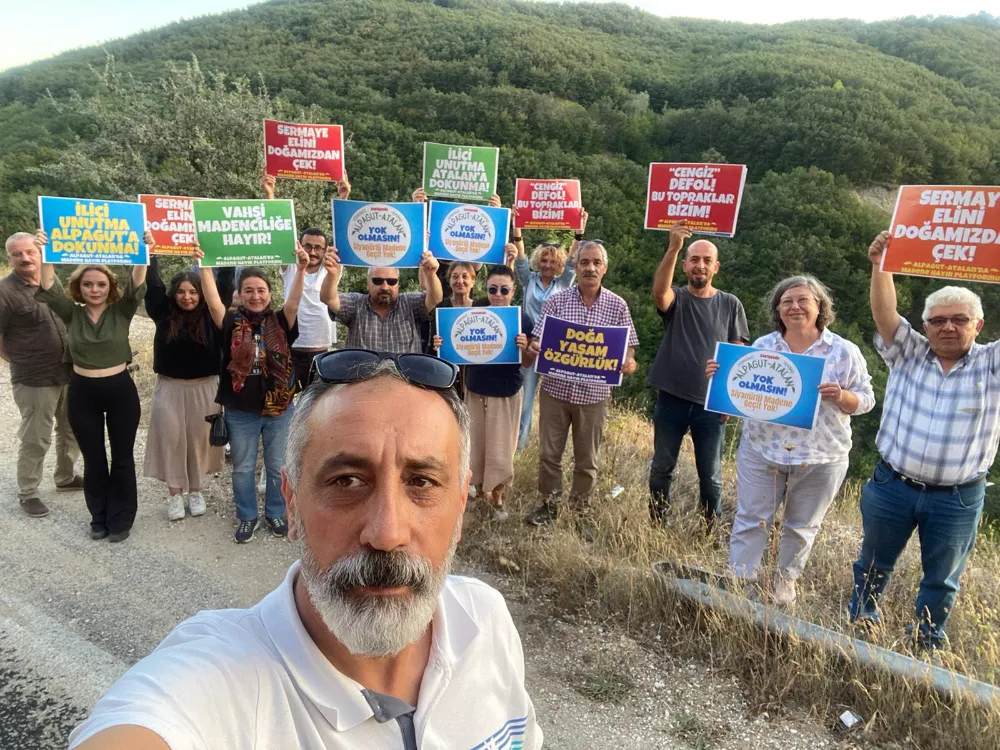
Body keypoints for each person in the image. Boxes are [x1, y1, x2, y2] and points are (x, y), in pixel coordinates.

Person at [68, 350, 542, 750]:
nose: (387, 532)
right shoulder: (221, 681)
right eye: (347, 481)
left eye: (421, 483)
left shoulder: (486, 620)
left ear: (459, 510)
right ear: (291, 503)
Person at [849, 231, 1000, 651]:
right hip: (892, 486)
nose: (948, 327)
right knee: (873, 564)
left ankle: (925, 642)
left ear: (978, 325)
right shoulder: (909, 352)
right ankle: (860, 624)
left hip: (957, 497)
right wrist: (881, 264)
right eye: (938, 320)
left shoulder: (992, 364)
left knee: (942, 578)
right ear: (925, 324)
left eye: (959, 320)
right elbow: (884, 312)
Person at [707, 275, 875, 606]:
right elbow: (743, 392)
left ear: (820, 307)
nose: (795, 306)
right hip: (762, 450)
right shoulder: (763, 347)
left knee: (800, 527)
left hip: (821, 456)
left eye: (803, 300)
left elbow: (867, 400)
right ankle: (739, 582)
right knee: (751, 518)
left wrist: (842, 396)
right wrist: (721, 376)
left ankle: (784, 584)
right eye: (787, 301)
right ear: (778, 310)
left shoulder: (843, 351)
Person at [34, 232, 151, 543]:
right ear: (79, 287)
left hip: (120, 391)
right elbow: (47, 284)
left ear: (110, 287)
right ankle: (98, 517)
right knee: (94, 457)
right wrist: (45, 251)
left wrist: (144, 249)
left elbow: (138, 281)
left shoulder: (121, 311)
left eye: (101, 284)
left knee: (123, 457)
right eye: (88, 284)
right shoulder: (71, 312)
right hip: (83, 391)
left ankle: (121, 519)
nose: (95, 289)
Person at [197, 245, 308, 543]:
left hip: (280, 409)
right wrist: (204, 264)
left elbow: (295, 300)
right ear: (240, 294)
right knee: (243, 468)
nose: (255, 295)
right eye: (249, 290)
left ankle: (275, 511)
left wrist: (300, 270)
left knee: (277, 467)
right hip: (240, 410)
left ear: (270, 293)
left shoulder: (281, 321)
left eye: (261, 290)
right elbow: (211, 303)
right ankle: (247, 516)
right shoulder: (231, 322)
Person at [526, 241, 639, 525]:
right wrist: (535, 347)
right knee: (549, 454)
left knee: (587, 459)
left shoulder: (617, 305)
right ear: (575, 267)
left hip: (594, 395)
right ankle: (549, 507)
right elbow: (538, 338)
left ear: (605, 268)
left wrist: (629, 362)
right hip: (555, 391)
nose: (590, 268)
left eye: (596, 263)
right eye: (584, 262)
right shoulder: (556, 301)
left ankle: (580, 512)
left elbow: (629, 348)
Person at [647, 220, 749, 526]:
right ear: (685, 266)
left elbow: (739, 357)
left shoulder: (731, 304)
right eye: (694, 260)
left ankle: (708, 530)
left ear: (716, 267)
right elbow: (658, 293)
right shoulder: (677, 298)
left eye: (706, 261)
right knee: (662, 467)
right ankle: (656, 524)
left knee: (712, 476)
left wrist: (729, 402)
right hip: (671, 398)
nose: (700, 266)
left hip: (711, 406)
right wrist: (674, 247)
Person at [433, 265, 534, 520]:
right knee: (475, 445)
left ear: (513, 290)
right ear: (485, 288)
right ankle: (478, 492)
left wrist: (526, 348)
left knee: (501, 448)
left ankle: (497, 497)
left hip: (506, 390)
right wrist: (441, 343)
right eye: (492, 289)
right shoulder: (472, 310)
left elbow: (528, 363)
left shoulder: (523, 319)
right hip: (476, 387)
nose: (498, 294)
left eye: (504, 289)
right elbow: (455, 343)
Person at [143, 256, 234, 521]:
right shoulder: (162, 312)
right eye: (181, 291)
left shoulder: (213, 315)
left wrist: (216, 251)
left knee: (198, 442)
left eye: (193, 291)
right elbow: (152, 282)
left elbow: (225, 282)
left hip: (204, 388)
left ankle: (195, 491)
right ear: (174, 294)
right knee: (170, 439)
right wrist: (151, 253)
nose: (187, 297)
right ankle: (174, 495)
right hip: (169, 388)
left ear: (202, 293)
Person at [0, 231, 82, 517]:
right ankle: (28, 491)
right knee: (36, 436)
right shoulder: (4, 291)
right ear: (9, 257)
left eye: (30, 252)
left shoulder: (51, 280)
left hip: (67, 370)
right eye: (17, 254)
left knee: (70, 428)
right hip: (34, 377)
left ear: (39, 253)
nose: (25, 258)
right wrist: (17, 360)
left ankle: (65, 477)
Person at [263, 171, 350, 389]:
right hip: (290, 347)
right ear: (300, 246)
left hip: (321, 350)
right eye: (308, 246)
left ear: (325, 249)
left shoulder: (331, 268)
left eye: (318, 247)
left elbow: (342, 232)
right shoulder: (292, 266)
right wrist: (269, 194)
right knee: (286, 404)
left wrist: (343, 197)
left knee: (318, 408)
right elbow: (277, 232)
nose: (312, 251)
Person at [512, 209, 586, 453]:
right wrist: (517, 224)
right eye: (544, 260)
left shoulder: (563, 283)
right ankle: (519, 449)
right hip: (531, 347)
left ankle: (551, 450)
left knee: (556, 403)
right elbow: (519, 257)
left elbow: (574, 262)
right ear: (538, 261)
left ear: (558, 264)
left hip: (555, 347)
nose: (547, 264)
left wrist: (579, 232)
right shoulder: (528, 280)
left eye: (553, 261)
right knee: (525, 402)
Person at [320, 247, 443, 354]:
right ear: (368, 282)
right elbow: (328, 298)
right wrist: (332, 275)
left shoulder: (409, 303)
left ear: (398, 283)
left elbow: (435, 298)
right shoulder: (356, 304)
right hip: (363, 379)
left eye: (391, 281)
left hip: (402, 379)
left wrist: (431, 275)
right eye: (377, 281)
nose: (385, 287)